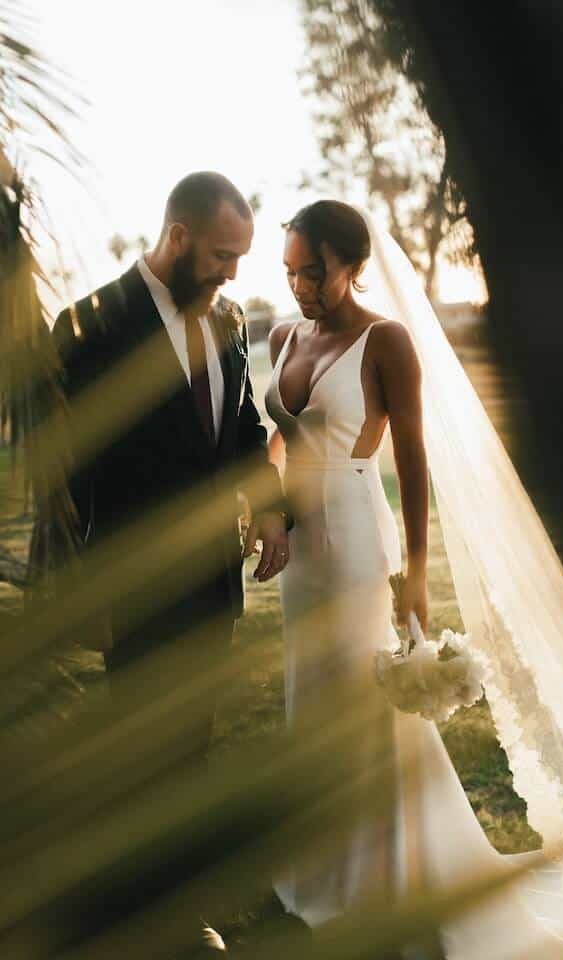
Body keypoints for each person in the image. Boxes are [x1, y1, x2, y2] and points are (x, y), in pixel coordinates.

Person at [266, 200, 563, 958]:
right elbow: (279, 437)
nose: (301, 286)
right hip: (300, 558)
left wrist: (412, 569)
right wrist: (265, 510)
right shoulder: (282, 335)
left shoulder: (387, 341)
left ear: (353, 266)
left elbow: (412, 455)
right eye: (291, 272)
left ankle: (403, 875)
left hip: (357, 542)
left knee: (372, 714)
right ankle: (331, 864)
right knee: (314, 704)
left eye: (315, 271)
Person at [51, 172, 291, 955]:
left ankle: (177, 912)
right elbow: (65, 472)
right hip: (134, 582)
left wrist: (272, 509)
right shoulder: (90, 322)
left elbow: (246, 429)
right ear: (177, 237)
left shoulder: (225, 319)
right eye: (223, 255)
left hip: (212, 580)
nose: (233, 273)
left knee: (191, 746)